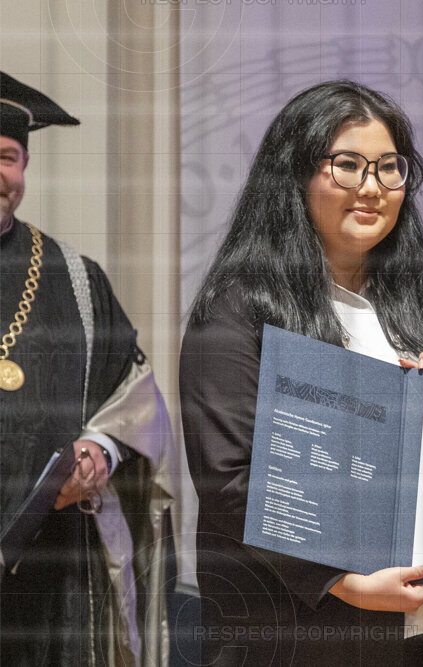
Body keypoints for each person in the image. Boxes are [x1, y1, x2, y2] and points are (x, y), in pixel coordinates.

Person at [180, 80, 423, 666]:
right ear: (294, 175)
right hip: (300, 627)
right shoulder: (239, 309)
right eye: (347, 165)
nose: (372, 188)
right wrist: (341, 581)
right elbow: (229, 481)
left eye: (389, 168)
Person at [0, 72, 183, 665]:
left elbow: (135, 394)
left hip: (58, 573)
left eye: (6, 157)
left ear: (25, 166)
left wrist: (101, 448)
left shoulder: (75, 280)